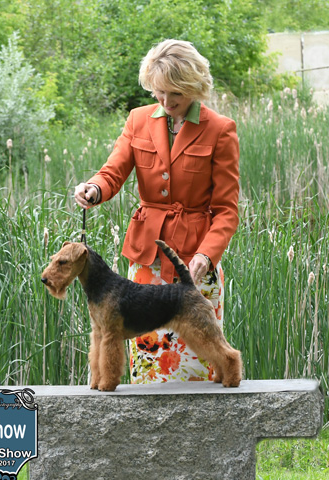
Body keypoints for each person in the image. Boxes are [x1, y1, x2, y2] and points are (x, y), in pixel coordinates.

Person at [74, 39, 239, 384]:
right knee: (150, 371)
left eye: (174, 94)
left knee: (200, 367)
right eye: (158, 93)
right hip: (145, 262)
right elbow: (113, 171)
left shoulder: (220, 129)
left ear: (193, 87)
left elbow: (226, 210)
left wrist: (206, 257)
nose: (165, 102)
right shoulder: (138, 120)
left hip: (195, 265)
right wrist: (94, 188)